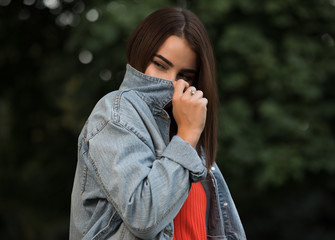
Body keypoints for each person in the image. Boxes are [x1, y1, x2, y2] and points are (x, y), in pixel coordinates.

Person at [70, 6, 246, 240]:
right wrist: (187, 136)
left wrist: (187, 135)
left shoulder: (188, 137)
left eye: (185, 76)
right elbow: (144, 217)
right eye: (161, 65)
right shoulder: (116, 112)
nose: (170, 83)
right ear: (140, 56)